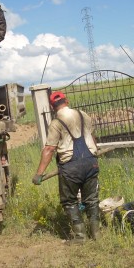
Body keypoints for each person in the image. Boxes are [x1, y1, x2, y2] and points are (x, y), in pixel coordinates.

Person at [32, 91, 100, 243]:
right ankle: (97, 235)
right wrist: (95, 154)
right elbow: (93, 137)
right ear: (66, 101)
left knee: (69, 201)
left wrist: (39, 174)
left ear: (51, 106)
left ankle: (80, 237)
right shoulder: (83, 115)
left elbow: (49, 149)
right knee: (92, 200)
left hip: (70, 168)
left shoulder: (56, 123)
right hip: (91, 162)